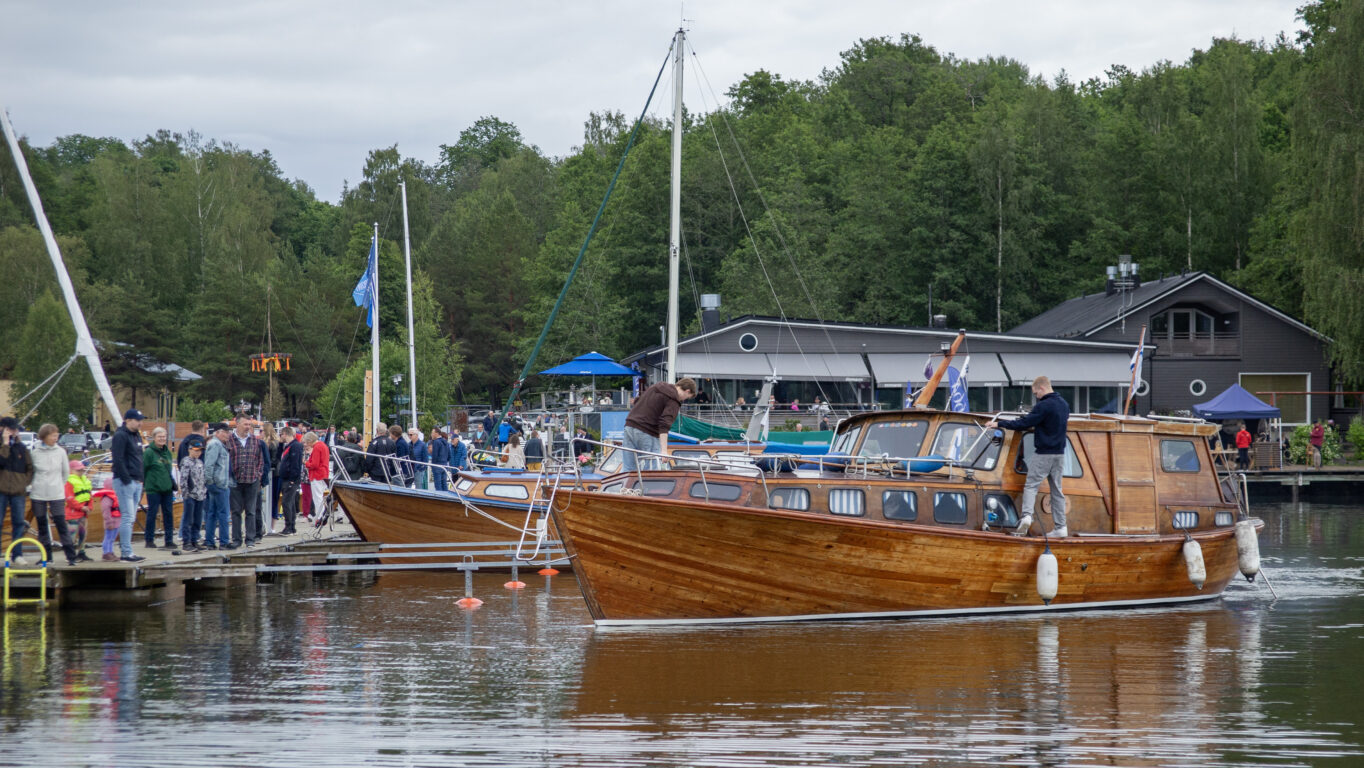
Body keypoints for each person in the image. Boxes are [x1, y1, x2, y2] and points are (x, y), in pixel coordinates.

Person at [986, 376, 1071, 538]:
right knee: (1057, 491)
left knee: (1031, 485)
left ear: (1042, 388)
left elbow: (1024, 424)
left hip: (1044, 454)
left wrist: (998, 424)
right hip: (1060, 454)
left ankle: (1026, 516)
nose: (1036, 397)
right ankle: (1061, 527)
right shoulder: (1064, 405)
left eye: (1035, 393)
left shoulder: (1043, 406)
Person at [31, 423, 81, 566]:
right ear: (45, 437)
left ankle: (70, 556)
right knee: (42, 525)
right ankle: (46, 556)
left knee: (60, 523)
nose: (55, 438)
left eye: (56, 435)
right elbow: (32, 472)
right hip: (38, 493)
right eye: (53, 435)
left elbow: (65, 473)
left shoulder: (60, 452)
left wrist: (58, 485)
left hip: (56, 493)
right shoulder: (35, 453)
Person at [622, 378, 697, 472]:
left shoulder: (655, 387)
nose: (684, 399)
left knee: (628, 468)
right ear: (687, 391)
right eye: (687, 397)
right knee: (651, 469)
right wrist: (664, 451)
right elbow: (664, 424)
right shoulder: (674, 400)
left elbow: (637, 401)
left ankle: (625, 486)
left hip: (629, 426)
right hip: (647, 432)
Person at [110, 409, 147, 562]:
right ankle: (126, 552)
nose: (140, 423)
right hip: (126, 481)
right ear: (128, 420)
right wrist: (126, 479)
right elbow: (117, 459)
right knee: (127, 516)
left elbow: (138, 457)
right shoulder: (120, 435)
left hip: (137, 481)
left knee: (130, 518)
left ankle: (128, 550)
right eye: (137, 420)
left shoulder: (137, 435)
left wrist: (141, 479)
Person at [226, 414, 266, 549]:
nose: (248, 427)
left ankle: (250, 539)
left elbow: (260, 460)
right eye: (245, 424)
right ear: (237, 424)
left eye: (249, 425)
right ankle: (237, 539)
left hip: (252, 479)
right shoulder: (229, 440)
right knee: (236, 511)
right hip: (235, 481)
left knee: (251, 511)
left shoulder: (255, 440)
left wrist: (258, 475)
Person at [0, 416, 35, 564]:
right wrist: (6, 443)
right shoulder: (3, 445)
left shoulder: (21, 447)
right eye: (11, 429)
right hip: (1, 490)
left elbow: (30, 468)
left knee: (19, 523)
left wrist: (24, 483)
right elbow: (1, 461)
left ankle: (17, 554)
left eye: (15, 430)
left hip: (18, 492)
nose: (14, 432)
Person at [142, 427, 177, 549]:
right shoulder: (149, 452)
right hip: (154, 488)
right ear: (154, 437)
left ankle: (169, 540)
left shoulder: (167, 452)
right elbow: (144, 469)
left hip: (167, 488)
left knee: (168, 514)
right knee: (152, 514)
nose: (162, 439)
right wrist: (145, 484)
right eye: (159, 436)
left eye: (164, 436)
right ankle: (149, 540)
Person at [202, 424, 231, 550]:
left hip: (217, 483)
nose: (228, 435)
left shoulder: (217, 444)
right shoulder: (215, 444)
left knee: (212, 514)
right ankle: (224, 541)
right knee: (223, 514)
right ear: (219, 432)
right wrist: (210, 482)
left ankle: (209, 541)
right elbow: (209, 465)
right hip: (218, 484)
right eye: (226, 432)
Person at [177, 437, 207, 551]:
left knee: (198, 519)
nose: (198, 452)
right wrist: (185, 494)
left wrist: (204, 492)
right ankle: (186, 542)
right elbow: (184, 479)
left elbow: (203, 478)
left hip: (200, 495)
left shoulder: (200, 462)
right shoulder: (186, 461)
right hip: (190, 495)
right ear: (190, 449)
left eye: (200, 450)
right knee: (188, 519)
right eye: (195, 450)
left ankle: (194, 540)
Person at [64, 459, 93, 559]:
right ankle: (70, 555)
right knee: (71, 535)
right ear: (71, 470)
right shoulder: (69, 482)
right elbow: (70, 499)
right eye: (78, 470)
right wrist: (81, 507)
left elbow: (89, 495)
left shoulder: (85, 481)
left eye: (81, 470)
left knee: (83, 534)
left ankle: (81, 552)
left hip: (83, 513)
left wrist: (90, 506)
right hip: (73, 514)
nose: (81, 472)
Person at [277, 427, 303, 534]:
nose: (280, 436)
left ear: (286, 434)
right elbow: (280, 457)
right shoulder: (287, 446)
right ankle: (291, 526)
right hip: (285, 477)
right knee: (290, 502)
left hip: (291, 479)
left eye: (281, 434)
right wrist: (279, 444)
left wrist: (293, 479)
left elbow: (295, 463)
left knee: (286, 502)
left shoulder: (295, 446)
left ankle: (289, 526)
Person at [303, 431, 330, 526]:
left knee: (317, 498)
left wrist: (305, 463)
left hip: (317, 475)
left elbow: (314, 464)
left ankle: (319, 517)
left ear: (310, 441)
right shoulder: (323, 445)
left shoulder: (317, 447)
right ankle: (321, 516)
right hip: (323, 474)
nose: (306, 444)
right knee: (320, 497)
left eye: (306, 442)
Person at [92, 478, 121, 561]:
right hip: (111, 522)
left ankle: (110, 552)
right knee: (108, 538)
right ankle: (106, 553)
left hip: (116, 521)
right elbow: (105, 510)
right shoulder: (107, 497)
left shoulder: (114, 495)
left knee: (112, 538)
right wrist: (109, 522)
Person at [262, 422, 281, 536]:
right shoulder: (277, 443)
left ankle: (270, 525)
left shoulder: (270, 444)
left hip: (272, 473)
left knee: (271, 499)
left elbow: (272, 460)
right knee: (274, 499)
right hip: (276, 474)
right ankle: (272, 526)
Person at [428, 427, 451, 491]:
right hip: (445, 465)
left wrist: (433, 465)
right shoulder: (446, 442)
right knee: (444, 484)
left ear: (436, 433)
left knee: (438, 485)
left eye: (432, 433)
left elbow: (435, 455)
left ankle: (440, 498)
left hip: (437, 465)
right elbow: (449, 455)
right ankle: (446, 498)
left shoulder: (436, 442)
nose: (431, 434)